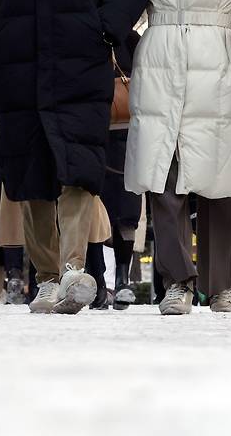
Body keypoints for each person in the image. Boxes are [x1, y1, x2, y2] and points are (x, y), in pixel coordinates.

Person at [0, 0, 148, 315]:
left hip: (80, 62)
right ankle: (47, 276)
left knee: (79, 168)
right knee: (31, 174)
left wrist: (104, 26)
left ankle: (72, 270)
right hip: (18, 62)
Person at [125, 0, 231, 315]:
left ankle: (223, 285)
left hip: (218, 51)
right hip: (160, 53)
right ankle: (176, 281)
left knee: (221, 177)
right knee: (163, 173)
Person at [86, 30, 143, 311]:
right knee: (96, 208)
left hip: (128, 131)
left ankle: (123, 279)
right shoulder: (83, 28)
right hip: (92, 128)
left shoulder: (129, 38)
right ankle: (100, 281)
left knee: (127, 209)